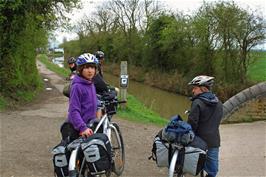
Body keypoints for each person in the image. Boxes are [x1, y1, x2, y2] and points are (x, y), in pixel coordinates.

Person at [187, 75, 223, 177]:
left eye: (195, 88)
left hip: (198, 140)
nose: (193, 91)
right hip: (214, 141)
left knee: (192, 165)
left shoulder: (197, 102)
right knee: (212, 171)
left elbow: (192, 123)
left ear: (203, 88)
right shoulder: (219, 103)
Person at [67, 53, 98, 138]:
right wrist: (82, 128)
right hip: (78, 128)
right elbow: (73, 110)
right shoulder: (77, 87)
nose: (90, 71)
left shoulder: (90, 83)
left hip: (89, 125)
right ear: (80, 69)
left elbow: (90, 100)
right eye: (86, 67)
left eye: (92, 67)